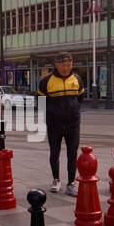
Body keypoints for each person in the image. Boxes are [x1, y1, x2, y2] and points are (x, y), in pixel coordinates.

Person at [37, 51, 84, 195]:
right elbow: (41, 103)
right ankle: (56, 179)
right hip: (54, 124)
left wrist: (73, 112)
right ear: (56, 65)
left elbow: (80, 98)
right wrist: (50, 117)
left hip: (73, 124)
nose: (66, 68)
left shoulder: (76, 79)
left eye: (69, 65)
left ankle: (71, 183)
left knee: (72, 153)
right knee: (54, 152)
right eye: (63, 65)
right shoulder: (46, 81)